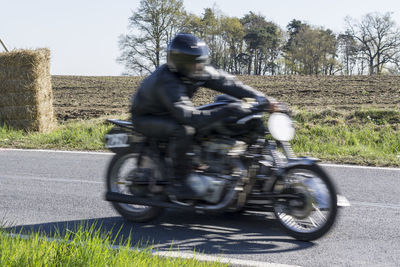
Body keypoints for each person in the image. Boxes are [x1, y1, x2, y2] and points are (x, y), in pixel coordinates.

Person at [130, 33, 278, 199]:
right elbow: (190, 118)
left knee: (214, 120)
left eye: (201, 61)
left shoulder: (195, 71)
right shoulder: (167, 81)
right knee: (184, 130)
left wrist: (262, 99)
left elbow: (229, 83)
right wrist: (228, 110)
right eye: (194, 62)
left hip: (174, 111)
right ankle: (179, 183)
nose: (199, 66)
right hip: (148, 117)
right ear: (181, 63)